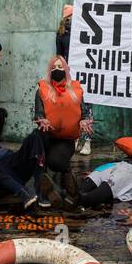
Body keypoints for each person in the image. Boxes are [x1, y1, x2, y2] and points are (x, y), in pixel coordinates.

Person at [34, 54, 94, 185]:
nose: (57, 70)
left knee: (55, 163)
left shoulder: (75, 90)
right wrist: (41, 120)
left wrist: (84, 121)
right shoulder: (42, 90)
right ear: (50, 70)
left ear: (66, 69)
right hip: (47, 136)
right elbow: (38, 114)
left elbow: (83, 113)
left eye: (60, 67)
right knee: (35, 143)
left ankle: (67, 175)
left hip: (66, 140)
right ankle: (41, 184)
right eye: (54, 67)